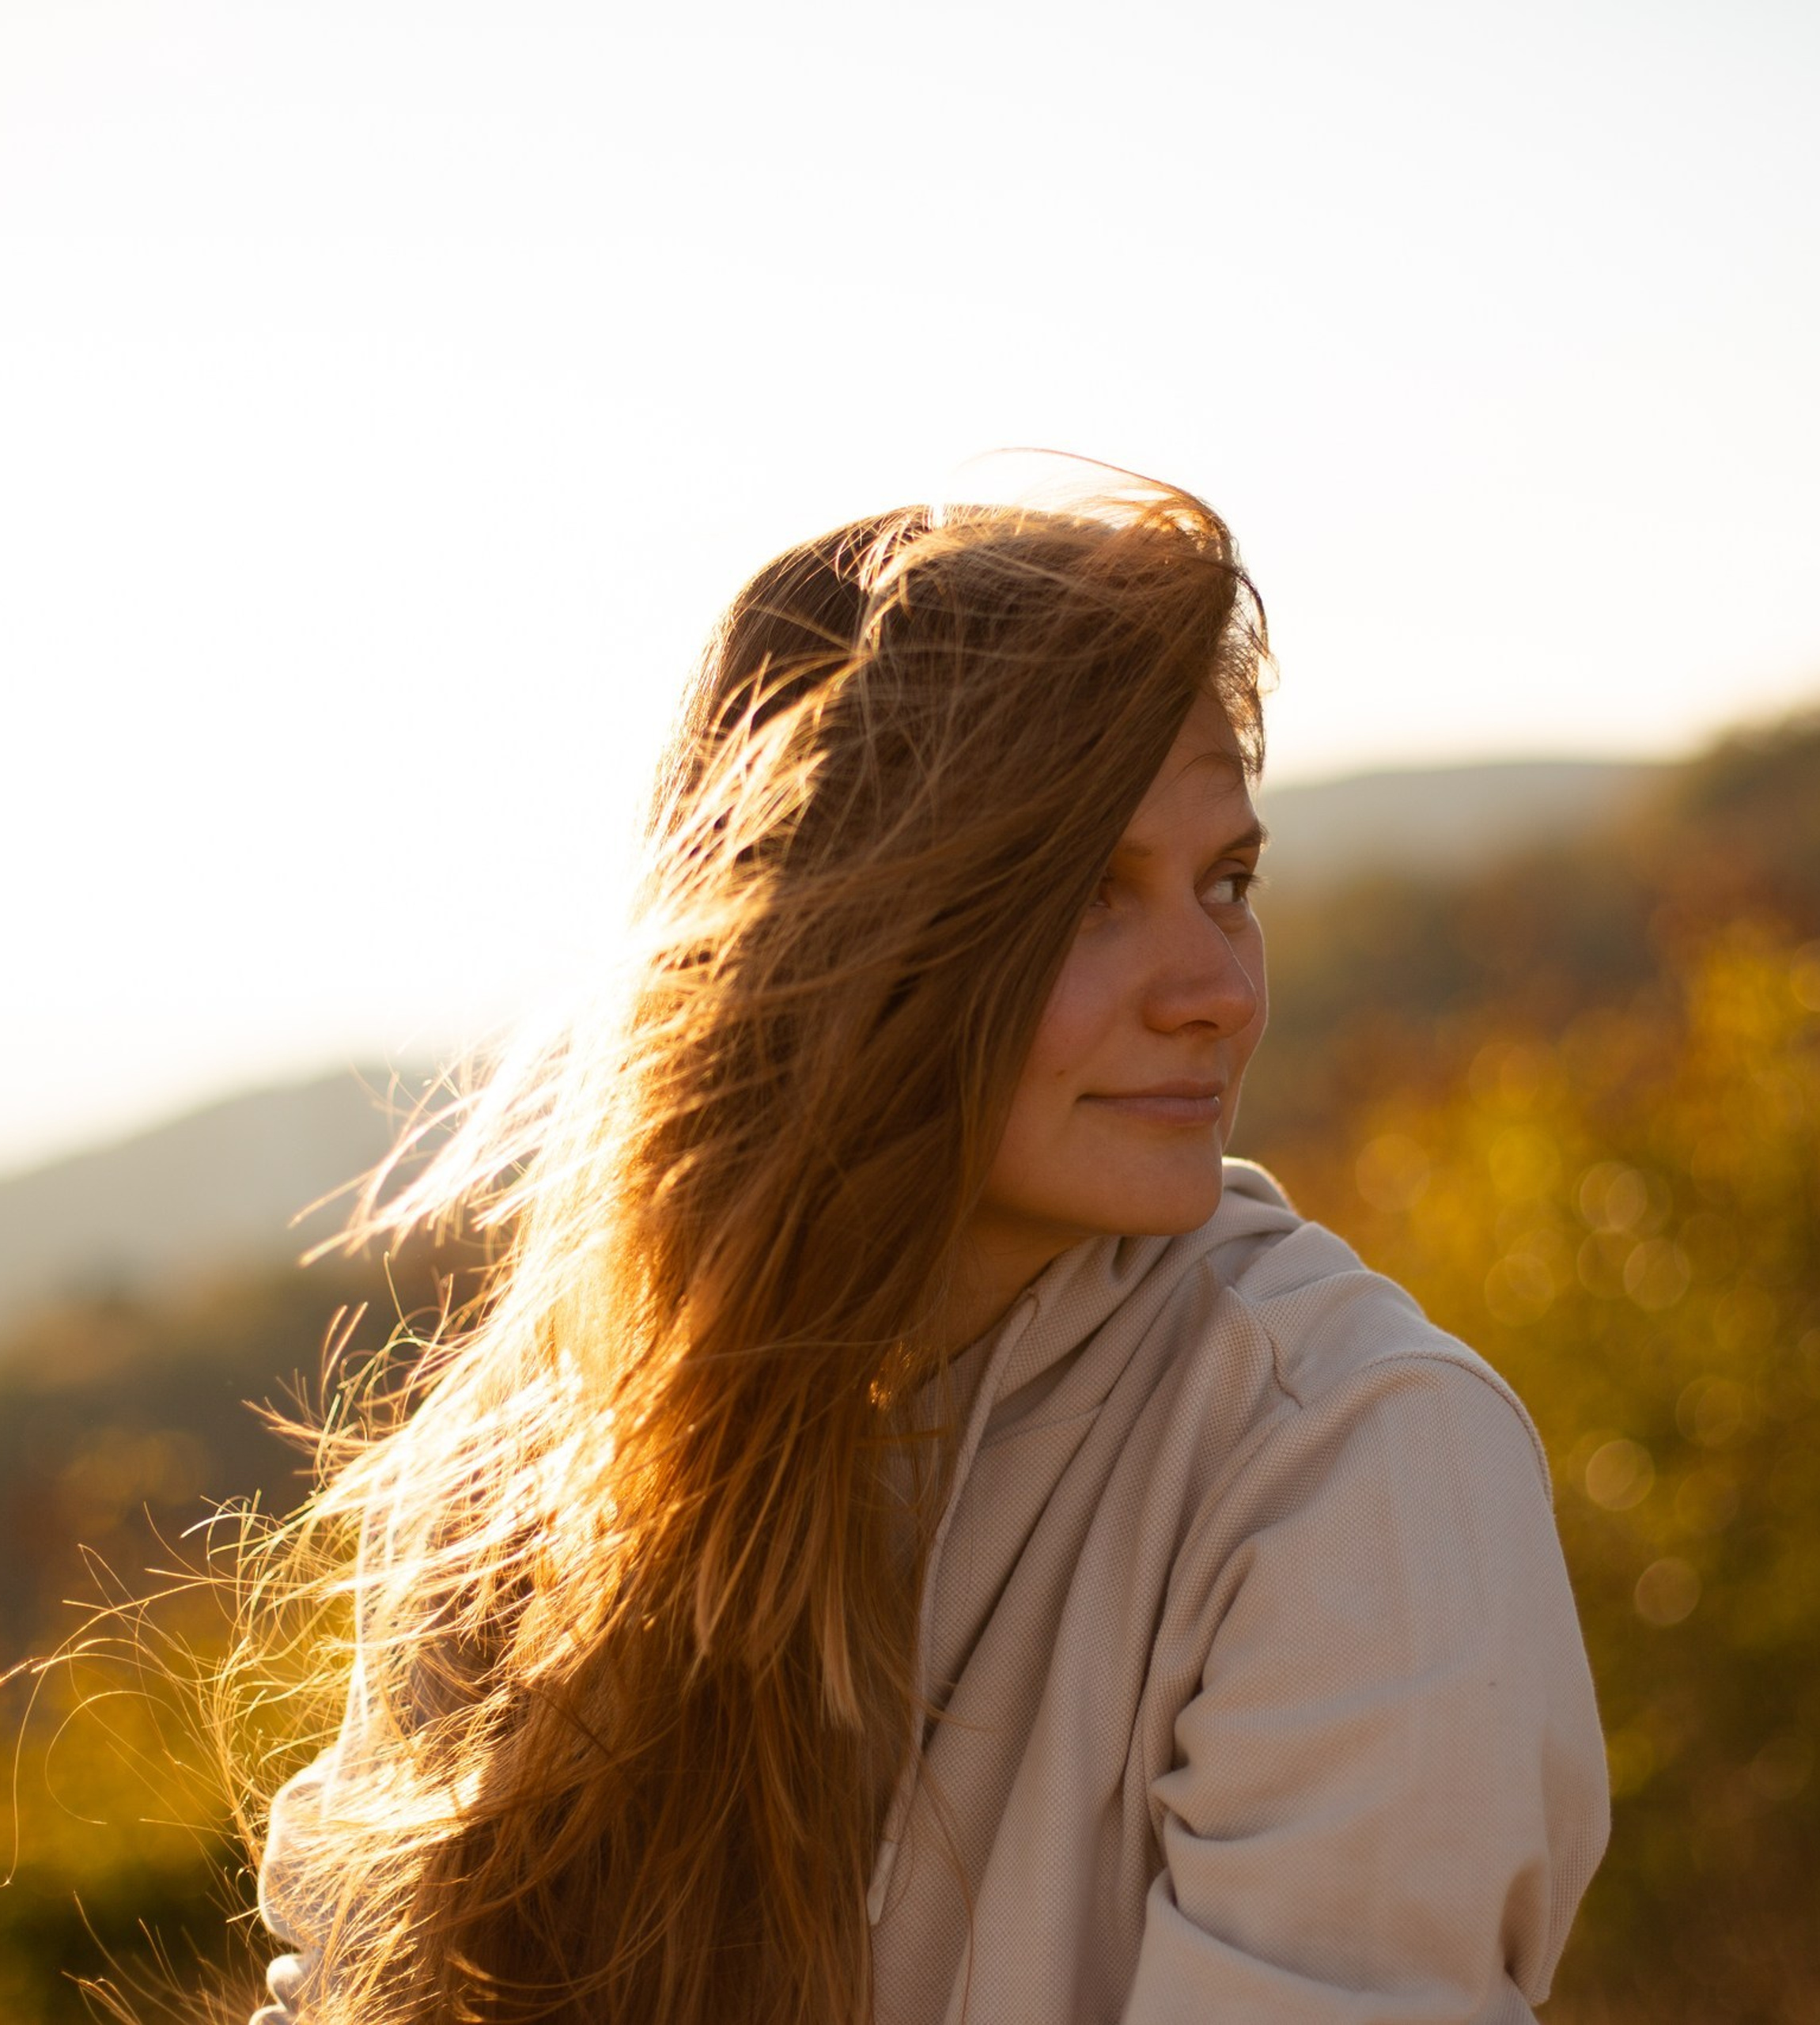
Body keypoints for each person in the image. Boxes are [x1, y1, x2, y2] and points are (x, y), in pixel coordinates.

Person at [243, 468, 1610, 2025]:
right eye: (1088, 892)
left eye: (1225, 882)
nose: (1215, 986)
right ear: (848, 943)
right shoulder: (515, 1484)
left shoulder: (1346, 1459)